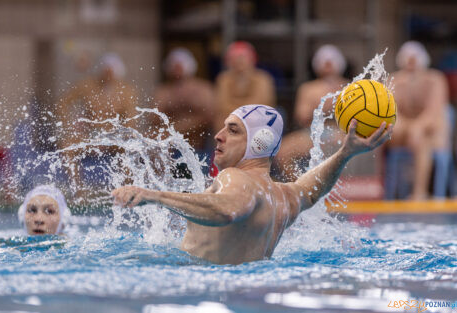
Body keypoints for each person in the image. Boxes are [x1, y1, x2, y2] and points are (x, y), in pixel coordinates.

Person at [112, 104, 393, 265]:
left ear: (261, 142)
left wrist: (154, 195)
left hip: (203, 289)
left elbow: (228, 209)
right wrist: (345, 153)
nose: (219, 136)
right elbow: (311, 189)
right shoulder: (284, 196)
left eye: (233, 130)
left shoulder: (235, 177)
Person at [57, 53, 139, 187]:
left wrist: (117, 137)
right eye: (105, 72)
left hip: (114, 138)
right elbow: (62, 103)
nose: (107, 76)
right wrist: (69, 126)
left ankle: (126, 189)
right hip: (90, 135)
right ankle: (78, 189)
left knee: (130, 147)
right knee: (66, 146)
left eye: (110, 73)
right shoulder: (87, 86)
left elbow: (130, 122)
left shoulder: (127, 92)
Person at [275, 45, 348, 180]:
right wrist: (328, 107)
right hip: (313, 133)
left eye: (331, 63)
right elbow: (302, 117)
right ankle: (300, 187)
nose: (328, 67)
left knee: (346, 141)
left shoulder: (350, 87)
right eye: (325, 63)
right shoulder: (307, 88)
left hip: (340, 132)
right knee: (282, 152)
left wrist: (322, 106)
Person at [389, 41, 450, 199]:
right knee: (380, 134)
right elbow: (391, 111)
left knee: (422, 140)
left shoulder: (435, 79)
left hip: (430, 133)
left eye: (415, 59)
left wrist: (417, 127)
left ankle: (419, 192)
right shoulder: (395, 80)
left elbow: (433, 111)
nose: (411, 63)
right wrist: (403, 126)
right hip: (404, 132)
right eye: (408, 59)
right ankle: (379, 189)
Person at [154, 48, 215, 159]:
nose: (177, 70)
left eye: (180, 65)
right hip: (172, 148)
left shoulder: (203, 89)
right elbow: (154, 118)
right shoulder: (164, 91)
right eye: (174, 65)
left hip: (198, 147)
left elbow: (209, 116)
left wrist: (182, 127)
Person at [215, 41, 276, 130]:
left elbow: (261, 105)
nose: (239, 61)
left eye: (242, 57)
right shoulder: (224, 79)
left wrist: (238, 113)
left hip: (256, 120)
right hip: (229, 120)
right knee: (220, 118)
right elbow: (222, 105)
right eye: (234, 58)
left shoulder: (263, 78)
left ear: (252, 59)